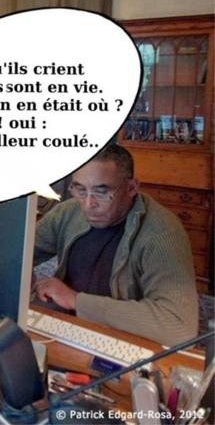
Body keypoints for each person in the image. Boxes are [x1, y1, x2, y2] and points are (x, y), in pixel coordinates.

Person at [33, 144, 198, 346]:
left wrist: (77, 300)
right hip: (65, 324)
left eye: (102, 192)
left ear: (131, 188)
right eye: (80, 190)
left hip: (121, 339)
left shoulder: (163, 233)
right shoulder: (68, 212)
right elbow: (19, 254)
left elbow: (179, 327)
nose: (88, 204)